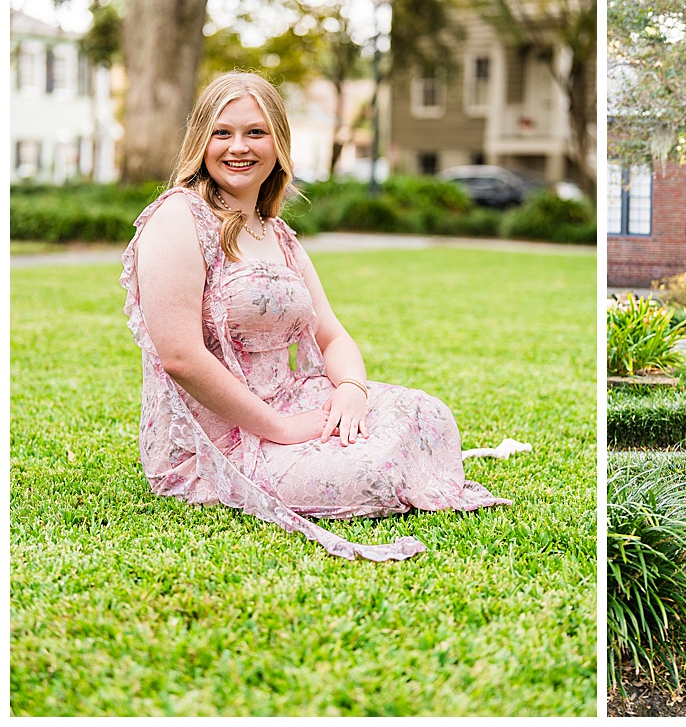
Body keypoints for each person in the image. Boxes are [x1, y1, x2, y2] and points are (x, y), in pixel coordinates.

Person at [121, 72, 508, 561]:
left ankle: (367, 451)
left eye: (255, 132)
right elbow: (180, 357)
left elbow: (332, 335)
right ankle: (370, 467)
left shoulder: (275, 233)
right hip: (216, 438)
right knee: (365, 470)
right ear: (202, 140)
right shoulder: (178, 218)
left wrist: (350, 391)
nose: (238, 147)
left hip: (289, 398)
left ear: (278, 143)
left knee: (425, 413)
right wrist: (280, 430)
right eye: (223, 132)